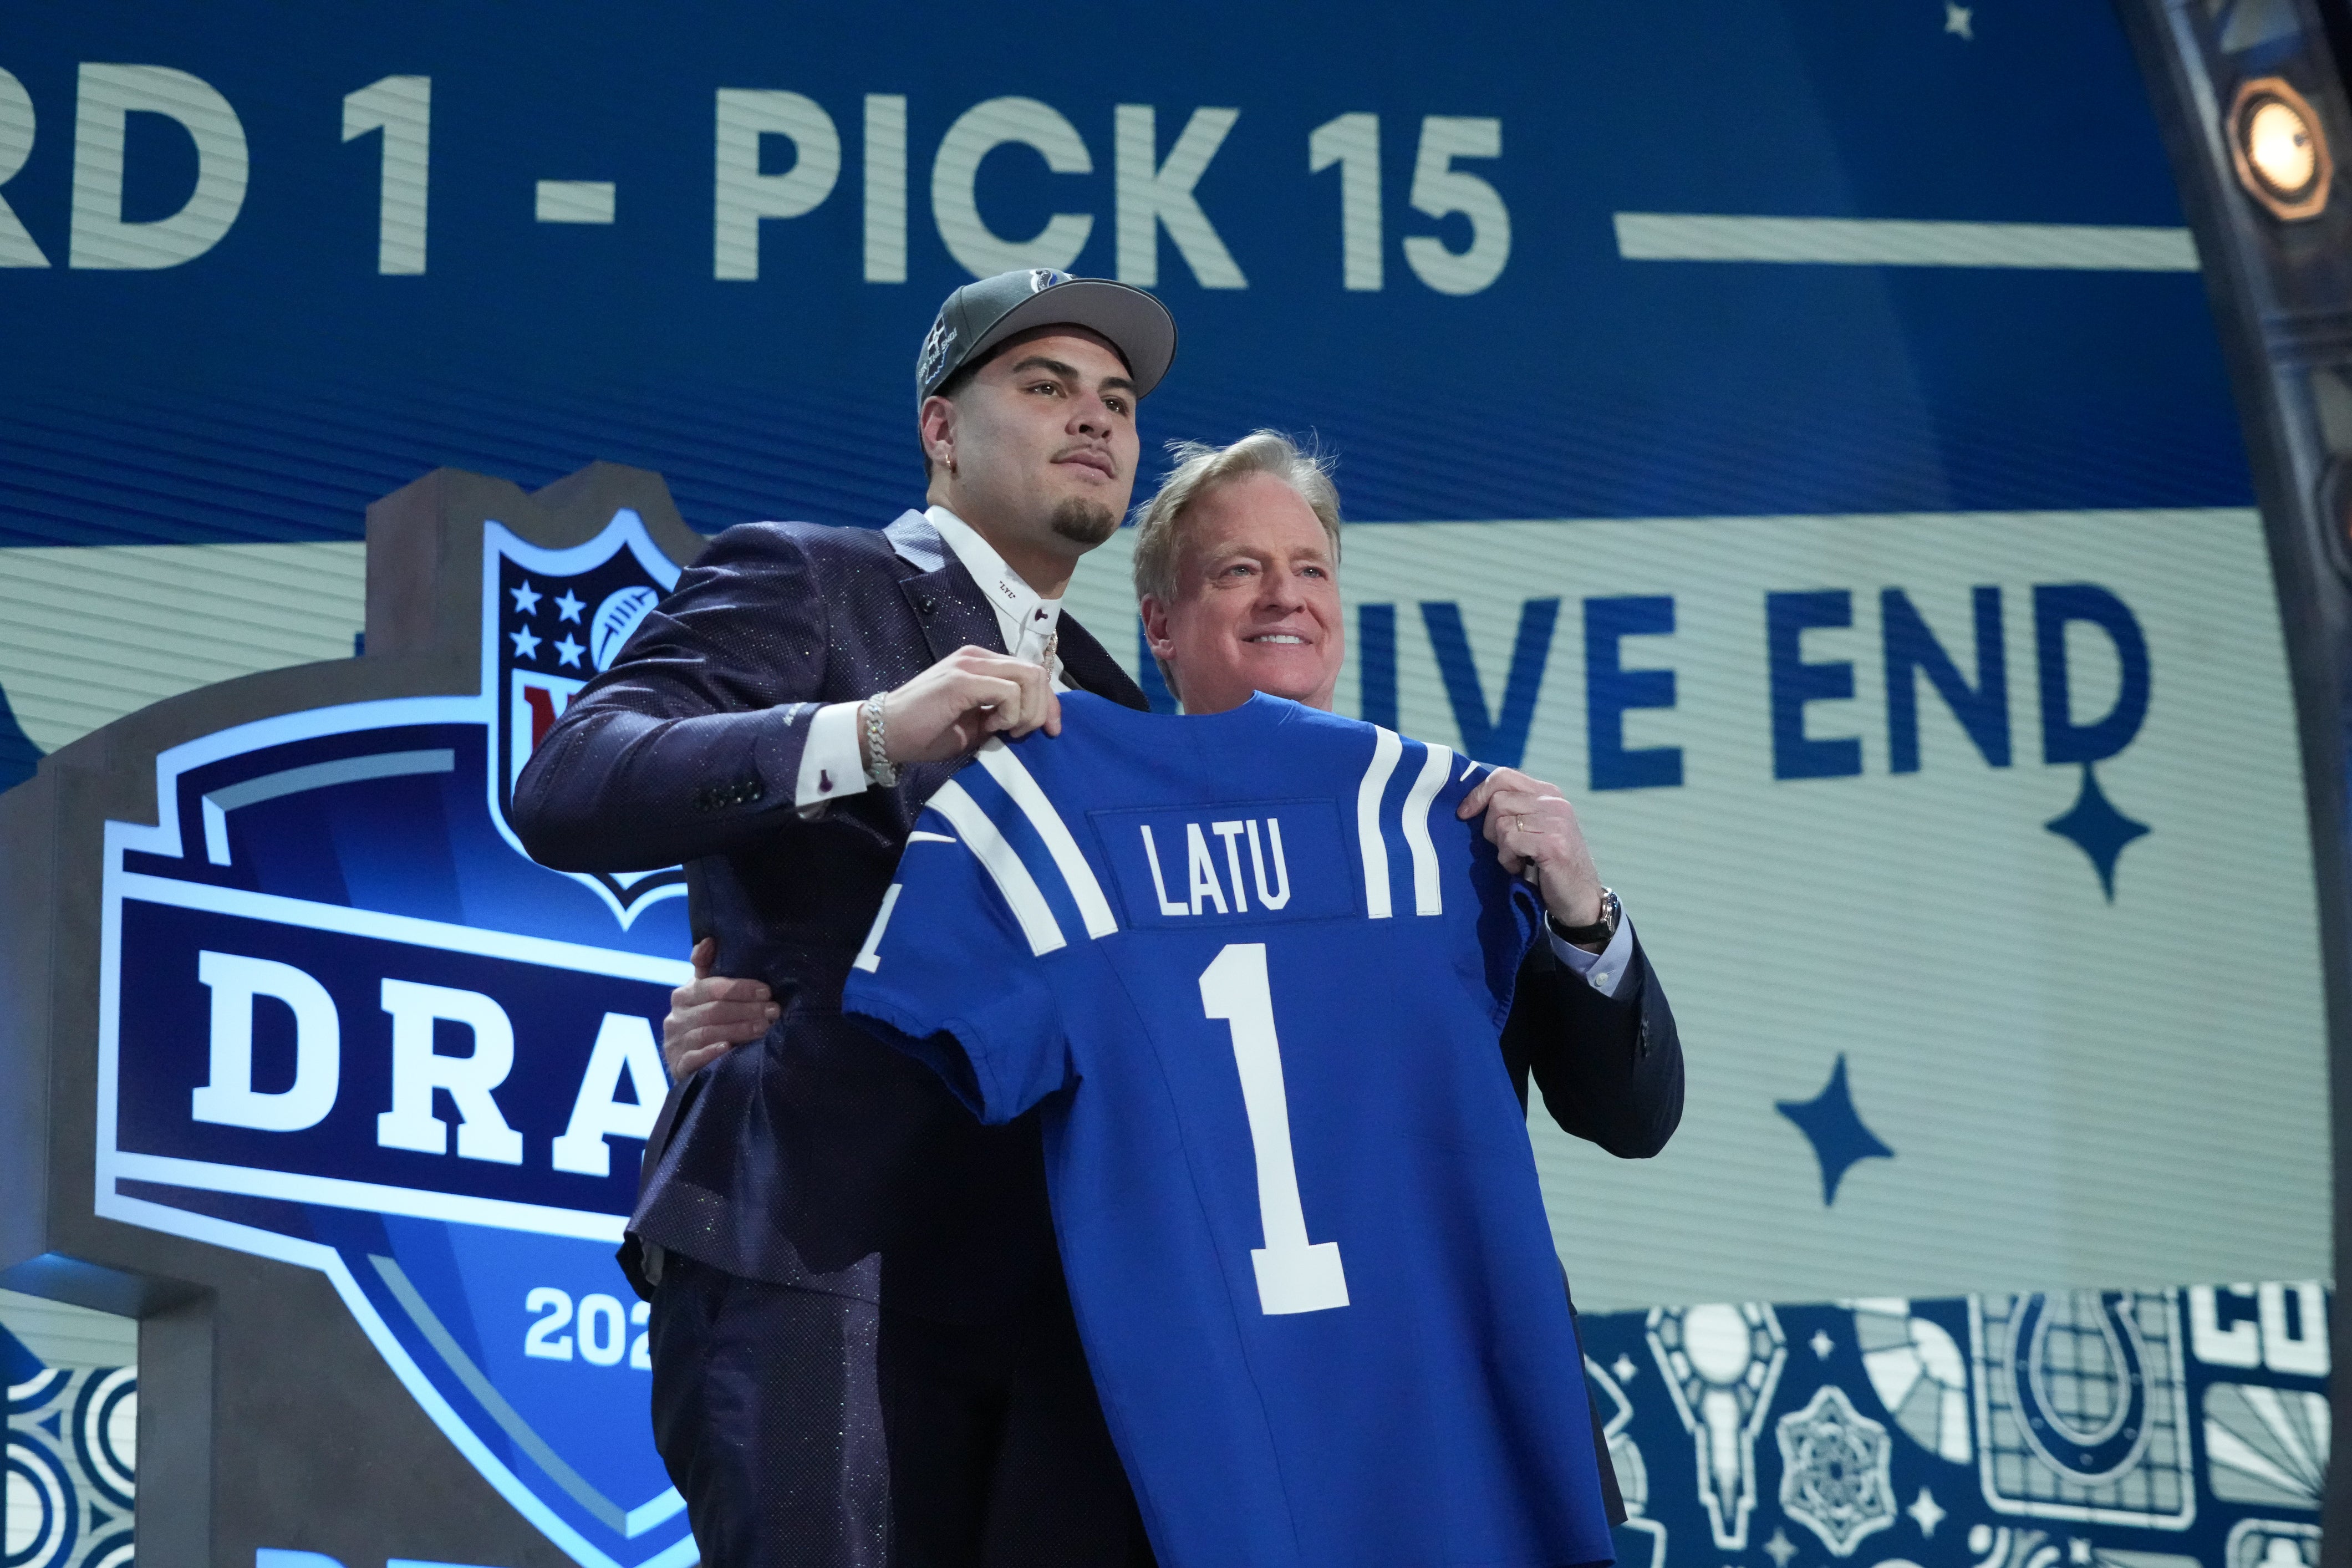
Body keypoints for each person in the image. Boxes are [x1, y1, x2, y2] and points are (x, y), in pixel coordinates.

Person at [656, 429, 1687, 1538]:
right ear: (1158, 624)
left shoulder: (1453, 824)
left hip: (1436, 1422)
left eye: (1309, 569)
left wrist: (1586, 910)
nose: (1281, 596)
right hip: (1164, 1447)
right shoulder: (1061, 819)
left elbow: (1634, 1115)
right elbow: (942, 1071)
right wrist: (771, 1028)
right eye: (1238, 570)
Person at [515, 269, 1178, 1566]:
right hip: (824, 1258)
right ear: (940, 428)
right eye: (1045, 386)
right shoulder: (814, 576)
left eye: (1116, 399)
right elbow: (570, 781)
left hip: (1050, 1308)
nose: (1094, 417)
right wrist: (871, 731)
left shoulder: (1115, 700)